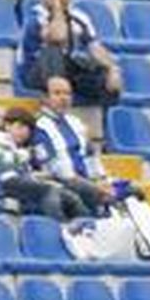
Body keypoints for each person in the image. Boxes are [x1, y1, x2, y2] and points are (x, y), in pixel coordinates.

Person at [18, 0, 122, 105]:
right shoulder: (36, 16)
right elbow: (58, 37)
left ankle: (98, 112)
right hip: (35, 70)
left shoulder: (79, 17)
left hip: (66, 67)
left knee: (104, 78)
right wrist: (56, 8)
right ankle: (56, 97)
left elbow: (94, 47)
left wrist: (112, 68)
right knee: (53, 51)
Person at [32, 75, 115, 214]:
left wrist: (102, 179)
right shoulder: (40, 126)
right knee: (105, 197)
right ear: (45, 98)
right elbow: (56, 168)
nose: (63, 98)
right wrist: (95, 187)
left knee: (131, 191)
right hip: (64, 184)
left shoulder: (76, 123)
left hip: (88, 183)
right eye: (57, 93)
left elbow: (91, 157)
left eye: (67, 93)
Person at [0, 106, 86, 221]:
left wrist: (36, 175)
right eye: (19, 127)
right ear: (7, 126)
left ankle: (84, 227)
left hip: (18, 183)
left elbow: (23, 172)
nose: (23, 133)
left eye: (27, 129)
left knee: (69, 197)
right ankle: (58, 225)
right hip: (1, 183)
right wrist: (23, 156)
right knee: (48, 190)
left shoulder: (20, 148)